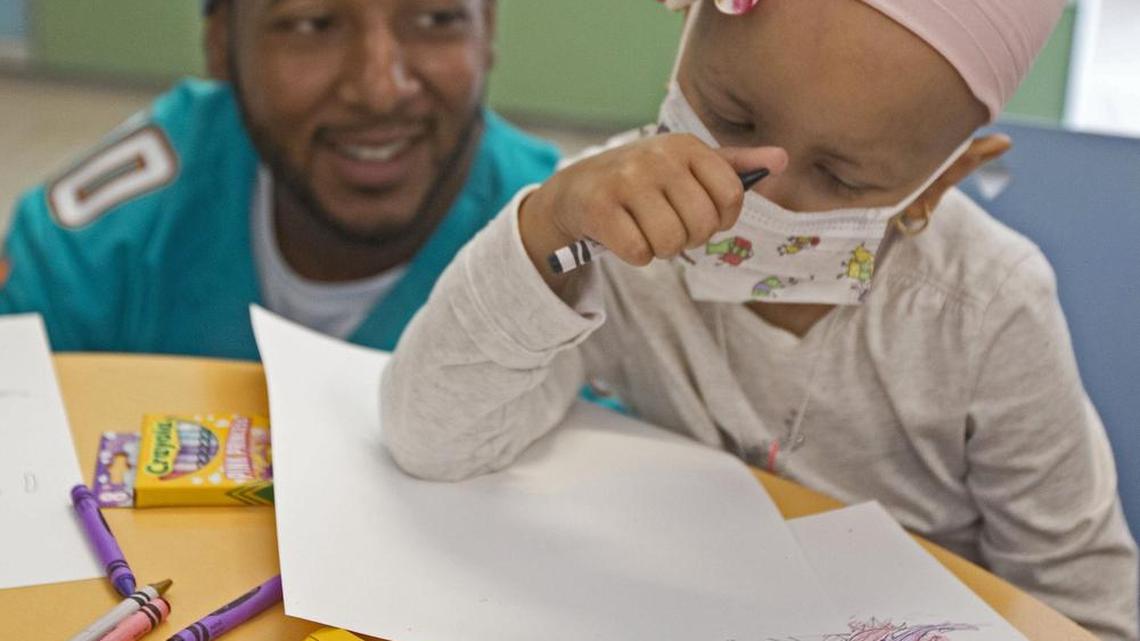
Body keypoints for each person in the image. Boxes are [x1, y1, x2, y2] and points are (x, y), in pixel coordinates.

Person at [380, 0, 1139, 638]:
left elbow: (1085, 611)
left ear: (939, 187)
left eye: (841, 176)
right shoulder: (615, 228)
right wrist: (548, 227)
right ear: (683, 45)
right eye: (731, 116)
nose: (760, 196)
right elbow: (435, 436)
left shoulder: (986, 311)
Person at [0, 0, 558, 359]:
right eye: (311, 23)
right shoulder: (89, 251)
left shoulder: (574, 268)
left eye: (436, 19)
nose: (379, 89)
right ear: (222, 45)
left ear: (487, 31)